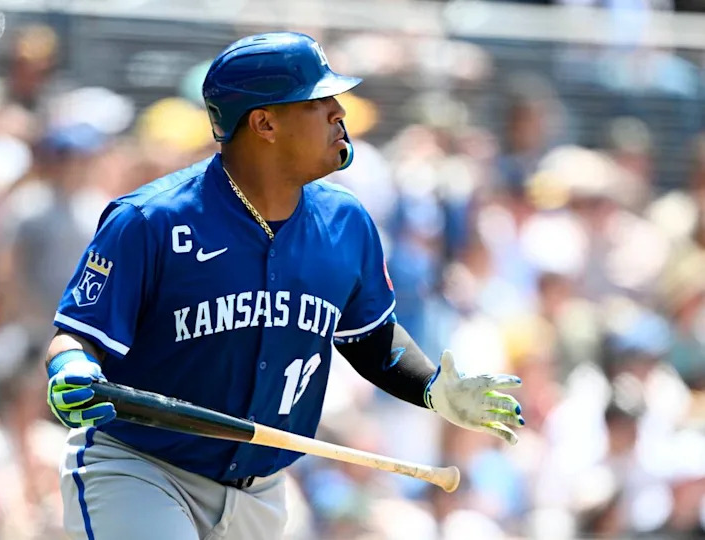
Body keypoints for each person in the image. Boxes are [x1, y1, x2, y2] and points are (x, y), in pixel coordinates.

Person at [44, 32, 526, 540]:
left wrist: (431, 388)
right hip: (143, 470)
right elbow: (79, 333)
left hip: (263, 491)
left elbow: (371, 337)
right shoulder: (149, 220)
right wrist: (69, 367)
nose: (339, 111)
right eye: (319, 101)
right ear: (265, 122)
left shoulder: (346, 221)